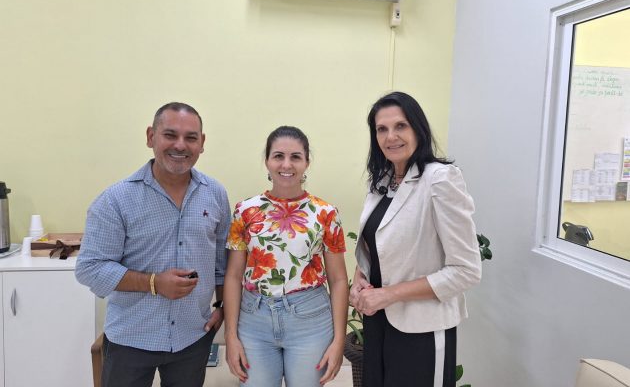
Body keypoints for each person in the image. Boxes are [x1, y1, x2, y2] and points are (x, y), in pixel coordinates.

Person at [75, 102, 231, 387]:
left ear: (202, 143)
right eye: (170, 135)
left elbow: (222, 263)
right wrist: (153, 283)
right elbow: (90, 268)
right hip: (131, 340)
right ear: (151, 137)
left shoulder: (216, 194)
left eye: (191, 137)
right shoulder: (115, 200)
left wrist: (222, 306)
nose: (180, 145)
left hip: (192, 338)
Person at [349, 92, 482, 387]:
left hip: (421, 328)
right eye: (382, 129)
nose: (390, 137)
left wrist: (388, 294)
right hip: (379, 321)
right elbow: (378, 245)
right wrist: (359, 278)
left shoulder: (441, 179)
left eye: (401, 126)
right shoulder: (381, 180)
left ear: (418, 129)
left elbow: (466, 271)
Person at [223, 126, 349, 387]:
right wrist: (230, 336)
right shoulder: (245, 211)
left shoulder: (326, 213)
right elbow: (234, 276)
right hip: (254, 320)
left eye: (296, 157)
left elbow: (338, 280)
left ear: (306, 163)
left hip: (310, 320)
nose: (286, 165)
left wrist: (339, 340)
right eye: (278, 156)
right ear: (267, 161)